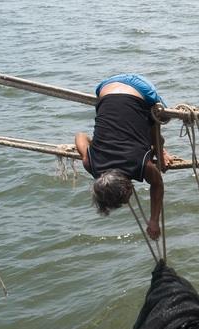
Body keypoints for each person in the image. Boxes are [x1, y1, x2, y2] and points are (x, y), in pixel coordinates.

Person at [74, 74, 174, 240]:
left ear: (128, 186)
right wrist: (96, 145)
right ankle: (157, 148)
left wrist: (154, 221)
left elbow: (157, 185)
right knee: (145, 129)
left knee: (162, 116)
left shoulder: (139, 165)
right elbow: (80, 136)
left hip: (141, 88)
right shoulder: (91, 164)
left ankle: (160, 151)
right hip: (105, 87)